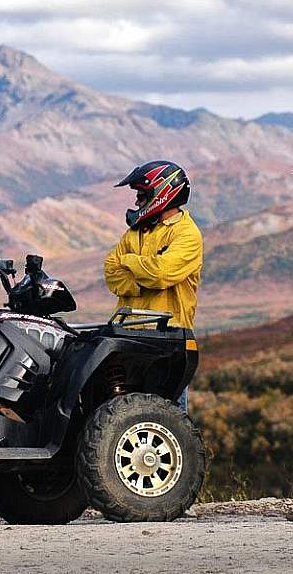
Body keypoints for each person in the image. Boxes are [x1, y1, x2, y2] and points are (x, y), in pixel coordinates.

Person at [104, 160, 203, 413]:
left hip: (167, 342)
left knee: (166, 420)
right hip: (127, 338)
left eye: (141, 195)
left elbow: (161, 273)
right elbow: (111, 273)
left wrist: (128, 261)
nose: (137, 202)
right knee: (119, 418)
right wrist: (141, 281)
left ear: (161, 193)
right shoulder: (134, 233)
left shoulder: (187, 234)